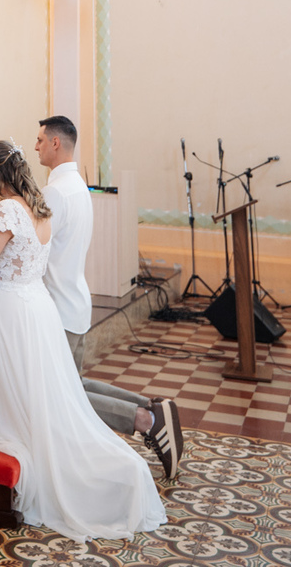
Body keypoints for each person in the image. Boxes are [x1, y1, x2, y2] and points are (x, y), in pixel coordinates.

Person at [0, 141, 167, 542]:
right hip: (36, 310)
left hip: (12, 313)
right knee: (40, 396)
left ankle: (52, 463)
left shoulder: (7, 209)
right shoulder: (38, 208)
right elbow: (4, 254)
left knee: (22, 393)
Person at [36, 115, 185, 481]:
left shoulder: (55, 192)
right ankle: (151, 407)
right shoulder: (77, 186)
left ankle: (145, 420)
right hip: (74, 302)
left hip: (57, 307)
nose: (36, 145)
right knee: (72, 386)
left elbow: (37, 249)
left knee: (62, 396)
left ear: (56, 143)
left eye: (40, 140)